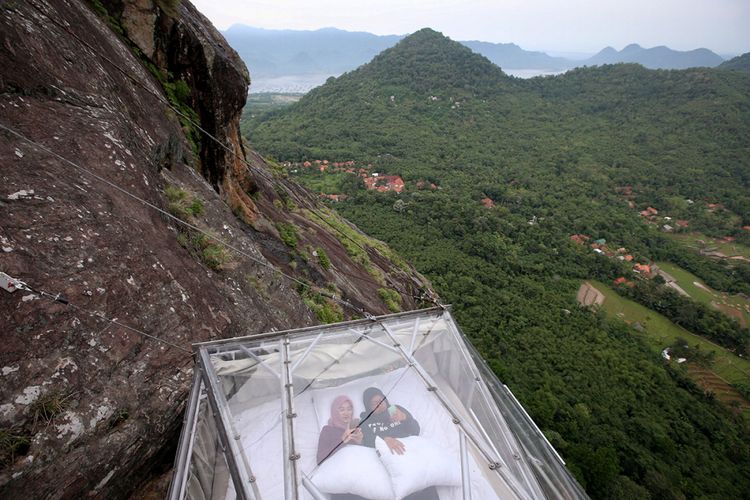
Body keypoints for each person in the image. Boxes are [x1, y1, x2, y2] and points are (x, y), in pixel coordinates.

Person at [359, 387, 438, 500]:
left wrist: (405, 418)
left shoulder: (394, 410)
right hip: (389, 461)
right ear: (368, 406)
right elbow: (366, 441)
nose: (379, 404)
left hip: (409, 452)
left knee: (425, 488)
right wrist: (385, 438)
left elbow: (415, 431)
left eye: (381, 400)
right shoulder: (366, 420)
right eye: (374, 403)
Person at [316, 395, 364, 465]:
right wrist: (341, 441)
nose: (346, 413)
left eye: (349, 409)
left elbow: (363, 455)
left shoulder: (356, 427)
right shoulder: (327, 430)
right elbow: (319, 460)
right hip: (338, 468)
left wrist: (360, 442)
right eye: (341, 410)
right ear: (335, 412)